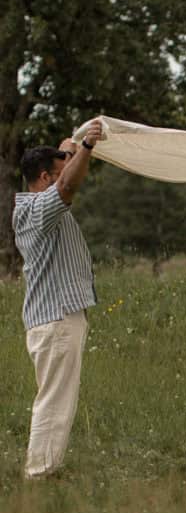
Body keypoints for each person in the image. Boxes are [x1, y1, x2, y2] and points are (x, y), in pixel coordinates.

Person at [12, 118, 104, 479]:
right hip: (56, 320)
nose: (73, 170)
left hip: (56, 319)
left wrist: (69, 150)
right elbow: (67, 183)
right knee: (55, 402)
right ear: (45, 178)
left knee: (56, 399)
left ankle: (44, 469)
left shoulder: (42, 207)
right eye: (60, 167)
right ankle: (39, 473)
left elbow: (65, 177)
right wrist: (86, 148)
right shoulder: (36, 210)